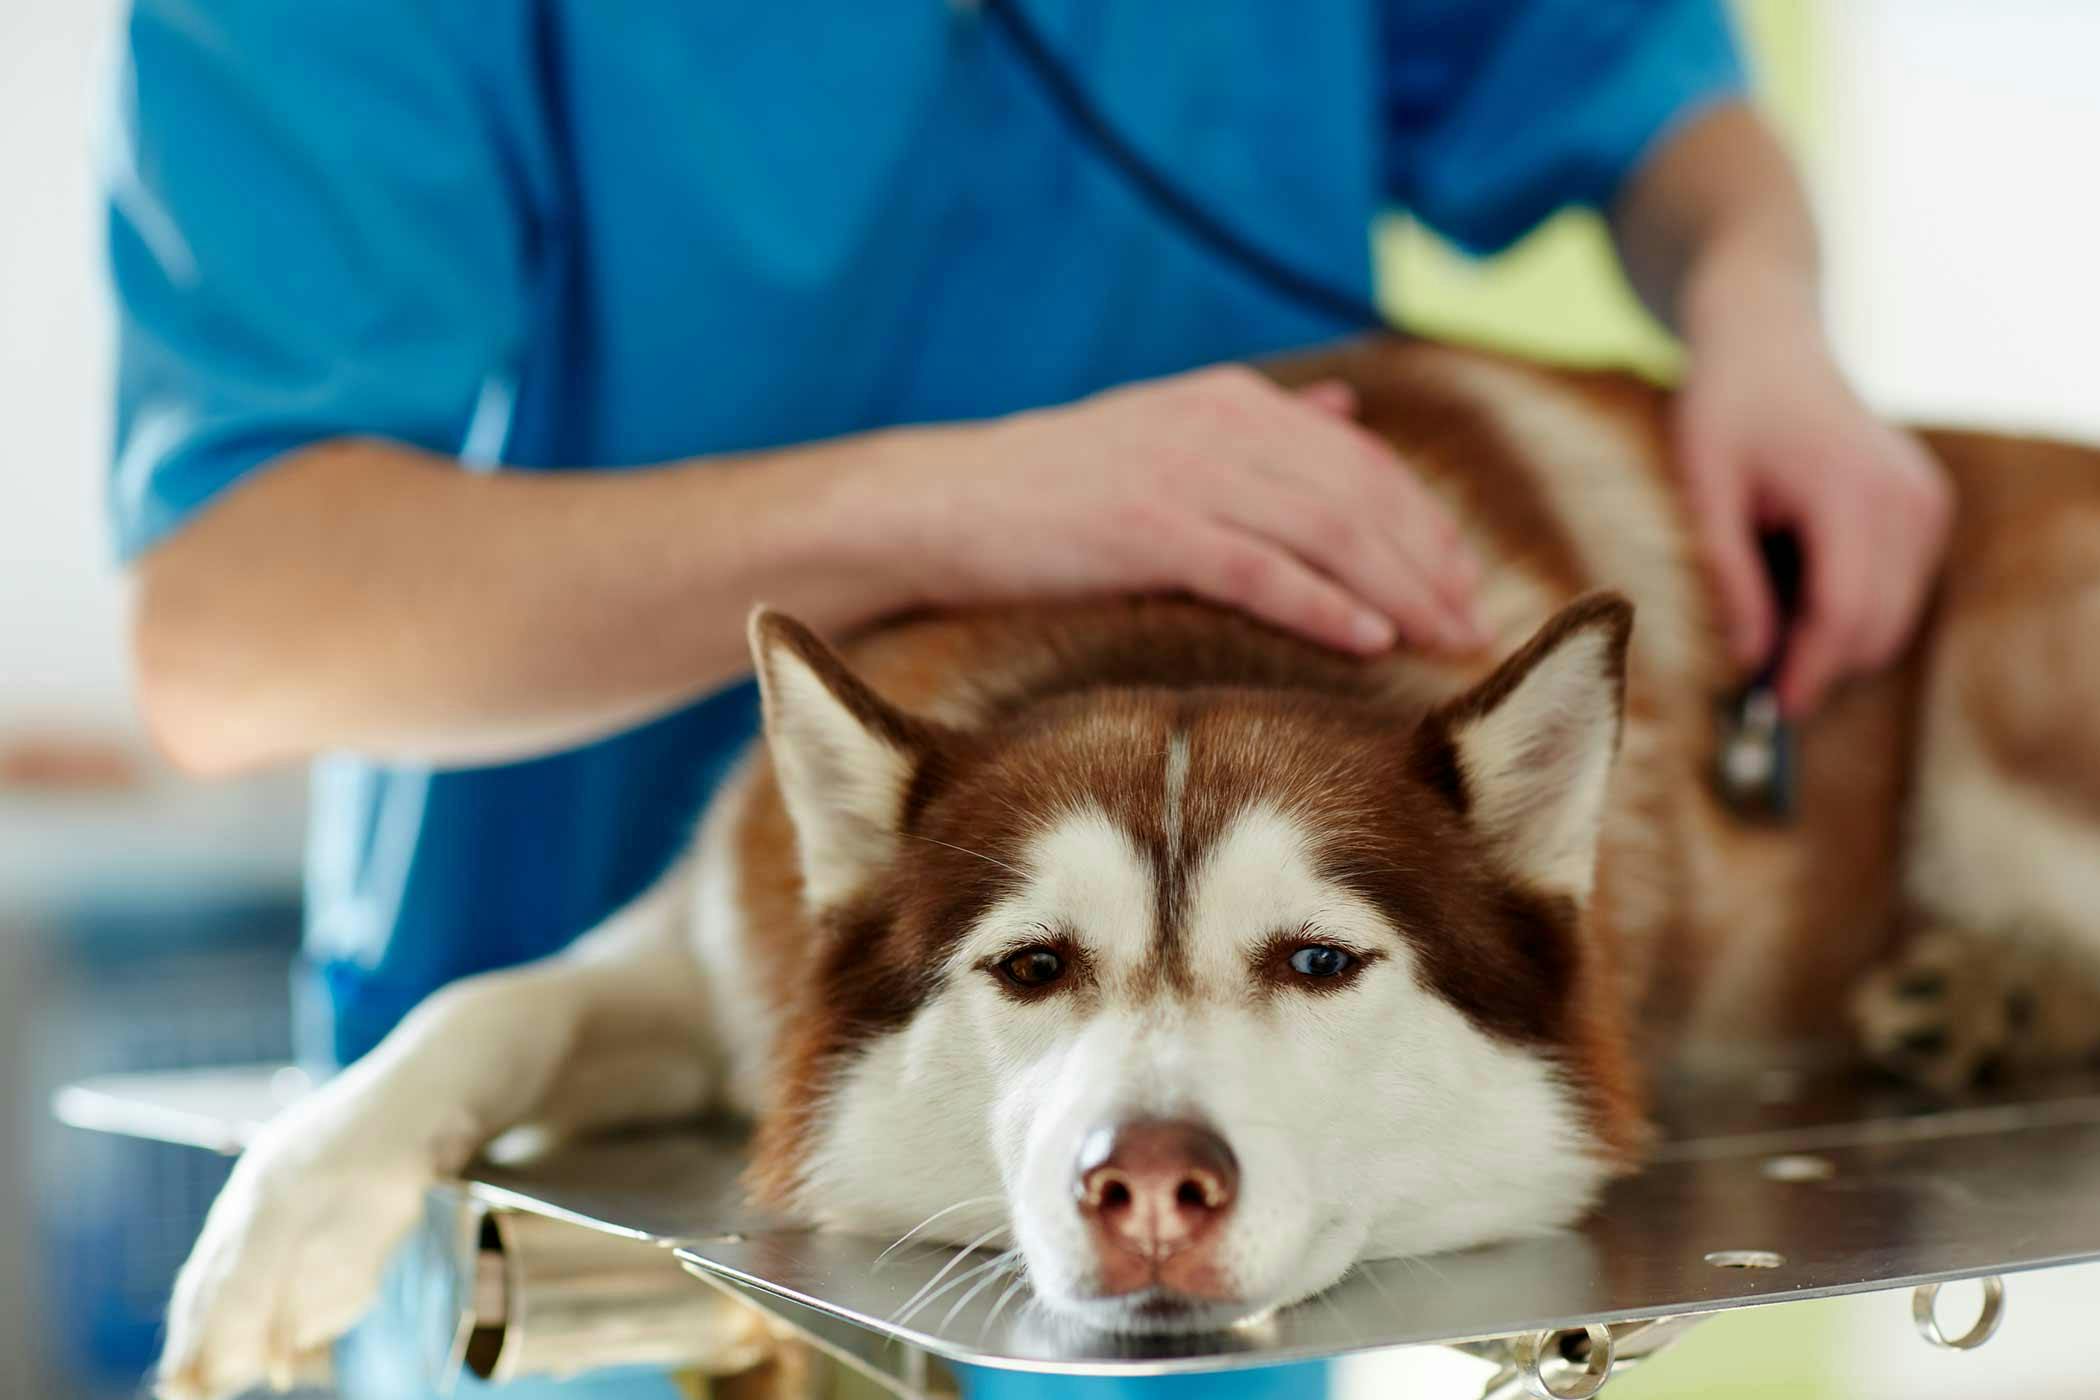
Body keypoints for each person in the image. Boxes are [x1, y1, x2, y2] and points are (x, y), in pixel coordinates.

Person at [107, 3, 1949, 1397]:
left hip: (1197, 1220)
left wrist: (1767, 315)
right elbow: (231, 630)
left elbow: (1621, 77)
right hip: (623, 1167)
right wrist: (950, 503)